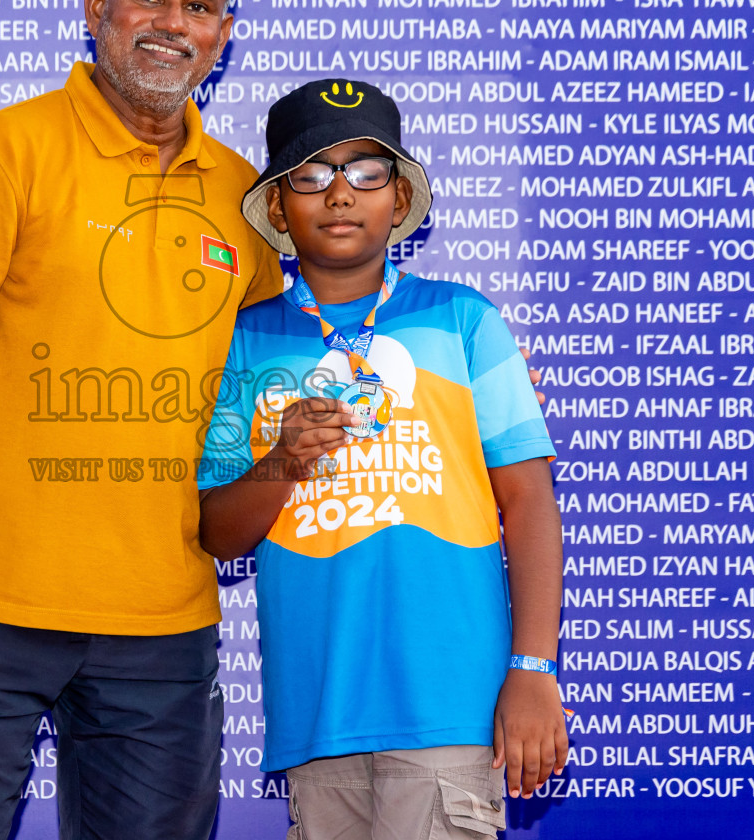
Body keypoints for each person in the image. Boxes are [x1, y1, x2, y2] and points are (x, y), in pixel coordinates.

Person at [0, 0, 285, 840]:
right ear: (98, 6)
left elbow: (260, 389)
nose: (172, 23)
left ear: (224, 32)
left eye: (198, 5)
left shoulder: (244, 200)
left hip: (164, 623)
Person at [196, 79, 568, 840]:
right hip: (316, 716)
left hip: (449, 707)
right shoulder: (245, 340)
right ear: (277, 207)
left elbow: (529, 503)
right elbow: (218, 534)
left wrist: (533, 671)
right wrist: (280, 463)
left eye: (366, 172)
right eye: (312, 175)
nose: (340, 195)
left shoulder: (464, 320)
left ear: (399, 201)